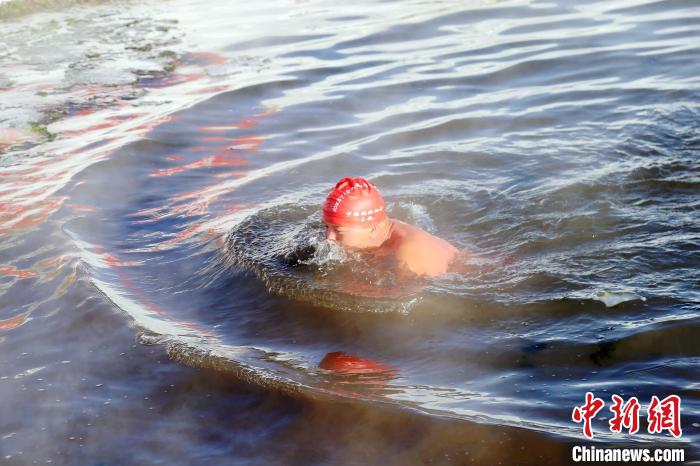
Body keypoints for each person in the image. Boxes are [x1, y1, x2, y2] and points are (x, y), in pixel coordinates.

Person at [322, 177, 459, 277]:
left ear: (373, 228)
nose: (329, 238)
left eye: (338, 231)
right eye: (326, 227)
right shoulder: (374, 229)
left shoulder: (411, 256)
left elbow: (410, 305)